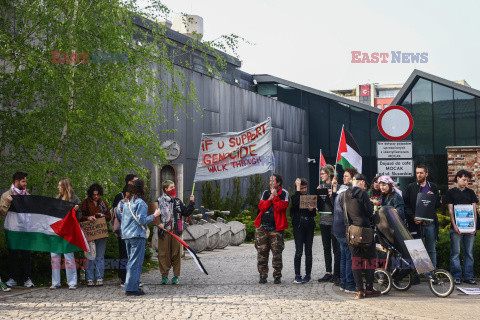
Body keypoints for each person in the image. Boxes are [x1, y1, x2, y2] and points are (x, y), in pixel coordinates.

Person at [118, 179, 162, 296]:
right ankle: (132, 288)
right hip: (137, 235)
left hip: (127, 235)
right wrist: (155, 215)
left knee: (131, 262)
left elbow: (122, 218)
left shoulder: (126, 203)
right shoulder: (140, 203)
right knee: (136, 263)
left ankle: (130, 286)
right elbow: (142, 220)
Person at [344, 174, 380, 299]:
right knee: (370, 259)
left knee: (355, 260)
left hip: (352, 230)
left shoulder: (345, 194)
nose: (365, 186)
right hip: (365, 230)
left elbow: (346, 213)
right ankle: (369, 289)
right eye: (364, 183)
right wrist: (371, 205)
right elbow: (370, 212)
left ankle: (359, 291)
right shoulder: (363, 194)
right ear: (361, 182)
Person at [156, 180, 195, 285]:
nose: (173, 189)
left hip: (176, 231)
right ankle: (164, 275)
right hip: (164, 231)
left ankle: (176, 276)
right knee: (163, 254)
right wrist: (158, 223)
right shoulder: (159, 201)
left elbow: (186, 212)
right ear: (166, 189)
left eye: (174, 186)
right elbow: (154, 215)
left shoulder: (177, 201)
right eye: (171, 187)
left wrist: (191, 203)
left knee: (176, 253)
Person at [403, 164, 441, 269]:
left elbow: (438, 205)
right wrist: (413, 217)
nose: (419, 175)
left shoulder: (433, 187)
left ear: (426, 174)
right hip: (416, 224)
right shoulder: (411, 187)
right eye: (417, 173)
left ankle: (433, 274)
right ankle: (418, 275)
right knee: (417, 250)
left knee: (431, 250)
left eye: (421, 173)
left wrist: (433, 197)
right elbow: (405, 205)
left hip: (430, 224)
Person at [1, 172, 34, 288]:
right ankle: (13, 278)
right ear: (16, 182)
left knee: (26, 254)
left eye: (25, 181)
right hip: (13, 229)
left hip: (25, 229)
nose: (25, 183)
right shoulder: (6, 195)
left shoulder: (27, 195)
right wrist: (8, 202)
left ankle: (27, 279)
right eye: (23, 181)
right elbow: (2, 212)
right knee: (13, 254)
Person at [254, 174, 289, 284]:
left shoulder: (284, 193)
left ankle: (277, 276)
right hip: (263, 227)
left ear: (278, 183)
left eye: (272, 181)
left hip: (276, 229)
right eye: (270, 180)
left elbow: (280, 208)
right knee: (262, 252)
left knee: (277, 253)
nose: (270, 183)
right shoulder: (265, 193)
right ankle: (262, 275)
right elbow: (261, 207)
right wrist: (270, 198)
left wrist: (276, 197)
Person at [446, 170, 478, 285]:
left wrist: (474, 225)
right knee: (455, 253)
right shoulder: (450, 192)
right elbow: (450, 212)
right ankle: (456, 276)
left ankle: (469, 276)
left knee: (469, 253)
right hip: (456, 229)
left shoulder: (471, 193)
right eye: (464, 179)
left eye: (467, 180)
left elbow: (474, 211)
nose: (466, 182)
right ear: (458, 178)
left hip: (470, 228)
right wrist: (454, 226)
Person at [51, 178, 82, 290]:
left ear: (65, 186)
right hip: (58, 231)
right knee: (54, 255)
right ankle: (55, 282)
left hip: (68, 231)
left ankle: (72, 282)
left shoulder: (75, 200)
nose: (58, 187)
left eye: (60, 185)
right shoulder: (58, 198)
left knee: (68, 256)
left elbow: (79, 217)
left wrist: (76, 210)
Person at [331, 167, 357, 294]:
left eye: (347, 176)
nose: (343, 178)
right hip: (344, 229)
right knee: (349, 257)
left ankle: (343, 283)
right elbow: (350, 213)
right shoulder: (347, 192)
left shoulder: (340, 191)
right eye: (345, 176)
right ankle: (349, 284)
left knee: (343, 257)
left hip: (338, 229)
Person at [81, 183, 111, 286]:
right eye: (94, 195)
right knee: (89, 256)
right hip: (89, 233)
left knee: (100, 256)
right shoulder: (84, 203)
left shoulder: (103, 203)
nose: (96, 196)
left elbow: (109, 216)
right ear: (90, 194)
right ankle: (89, 279)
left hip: (101, 233)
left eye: (98, 194)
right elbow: (80, 216)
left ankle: (99, 278)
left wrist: (103, 215)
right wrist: (88, 217)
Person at [112, 174, 138, 287]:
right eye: (135, 181)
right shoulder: (120, 196)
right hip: (123, 231)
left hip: (134, 231)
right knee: (124, 254)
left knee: (133, 255)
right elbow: (115, 213)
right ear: (129, 182)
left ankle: (132, 278)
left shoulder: (137, 196)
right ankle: (123, 278)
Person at [316, 165, 340, 285]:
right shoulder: (320, 187)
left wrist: (334, 192)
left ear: (329, 175)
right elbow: (318, 206)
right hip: (323, 220)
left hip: (334, 222)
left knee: (336, 248)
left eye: (323, 174)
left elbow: (338, 204)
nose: (321, 176)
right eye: (321, 174)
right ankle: (328, 272)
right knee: (326, 248)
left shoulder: (337, 187)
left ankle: (337, 273)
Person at [290, 178, 316, 283]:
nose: (304, 190)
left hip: (309, 226)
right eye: (302, 188)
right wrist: (297, 188)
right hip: (299, 226)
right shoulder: (295, 196)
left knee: (308, 251)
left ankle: (308, 274)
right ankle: (297, 274)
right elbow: (296, 203)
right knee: (299, 251)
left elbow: (314, 214)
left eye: (305, 188)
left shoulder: (309, 198)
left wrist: (311, 210)